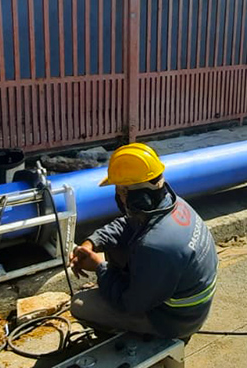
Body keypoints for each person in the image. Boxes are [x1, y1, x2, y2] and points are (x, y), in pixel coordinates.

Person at [69, 143, 218, 339]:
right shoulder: (173, 204)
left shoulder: (155, 245)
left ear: (136, 197)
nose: (118, 196)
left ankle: (136, 335)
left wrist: (99, 267)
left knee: (81, 305)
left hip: (175, 321)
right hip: (191, 305)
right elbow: (127, 224)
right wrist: (93, 241)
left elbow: (130, 304)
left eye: (121, 191)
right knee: (116, 247)